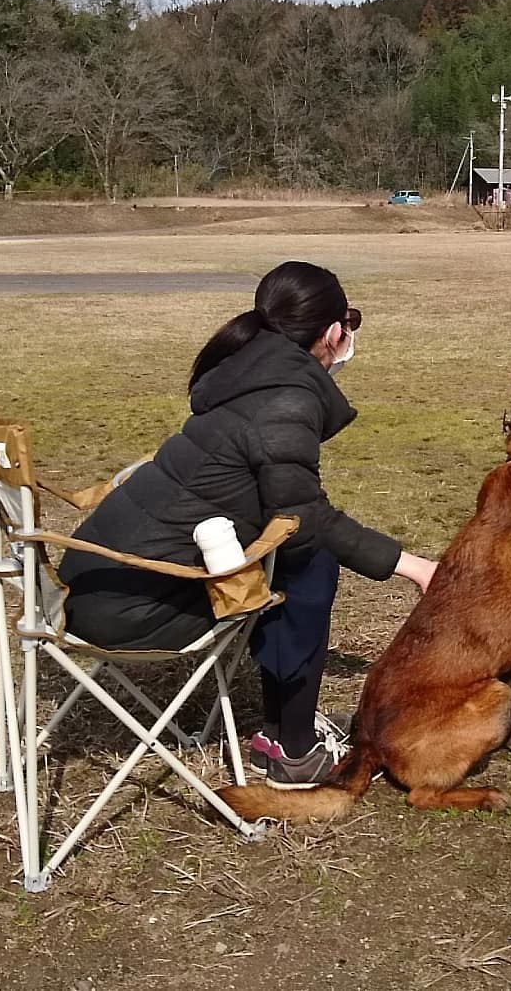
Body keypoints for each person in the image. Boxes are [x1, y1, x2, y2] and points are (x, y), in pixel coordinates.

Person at [58, 261, 438, 789]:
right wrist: (415, 567)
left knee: (289, 554)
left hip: (85, 580)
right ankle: (291, 748)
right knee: (307, 560)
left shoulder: (247, 371)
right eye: (348, 324)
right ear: (334, 333)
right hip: (125, 608)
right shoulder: (287, 398)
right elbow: (305, 519)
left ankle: (284, 734)